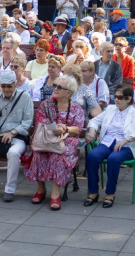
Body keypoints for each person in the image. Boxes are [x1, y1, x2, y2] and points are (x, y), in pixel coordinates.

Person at [25, 74, 84, 210]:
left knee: (57, 155)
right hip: (47, 138)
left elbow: (78, 129)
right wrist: (55, 127)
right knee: (38, 152)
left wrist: (65, 128)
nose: (55, 88)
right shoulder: (47, 104)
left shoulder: (76, 109)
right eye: (55, 86)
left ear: (68, 92)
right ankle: (41, 190)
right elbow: (39, 120)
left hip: (66, 140)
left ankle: (55, 193)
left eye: (59, 87)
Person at [84, 84, 135, 208]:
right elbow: (95, 121)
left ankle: (110, 194)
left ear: (129, 99)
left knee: (113, 159)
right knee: (92, 156)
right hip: (107, 142)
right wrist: (91, 131)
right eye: (115, 96)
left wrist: (125, 140)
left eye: (120, 97)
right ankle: (93, 192)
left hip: (127, 146)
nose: (116, 99)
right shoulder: (110, 109)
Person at [0, 70, 33, 202]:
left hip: (18, 137)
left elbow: (27, 122)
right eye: (3, 86)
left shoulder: (24, 97)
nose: (6, 89)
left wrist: (12, 132)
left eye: (9, 86)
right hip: (0, 137)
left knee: (13, 153)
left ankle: (9, 189)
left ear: (15, 84)